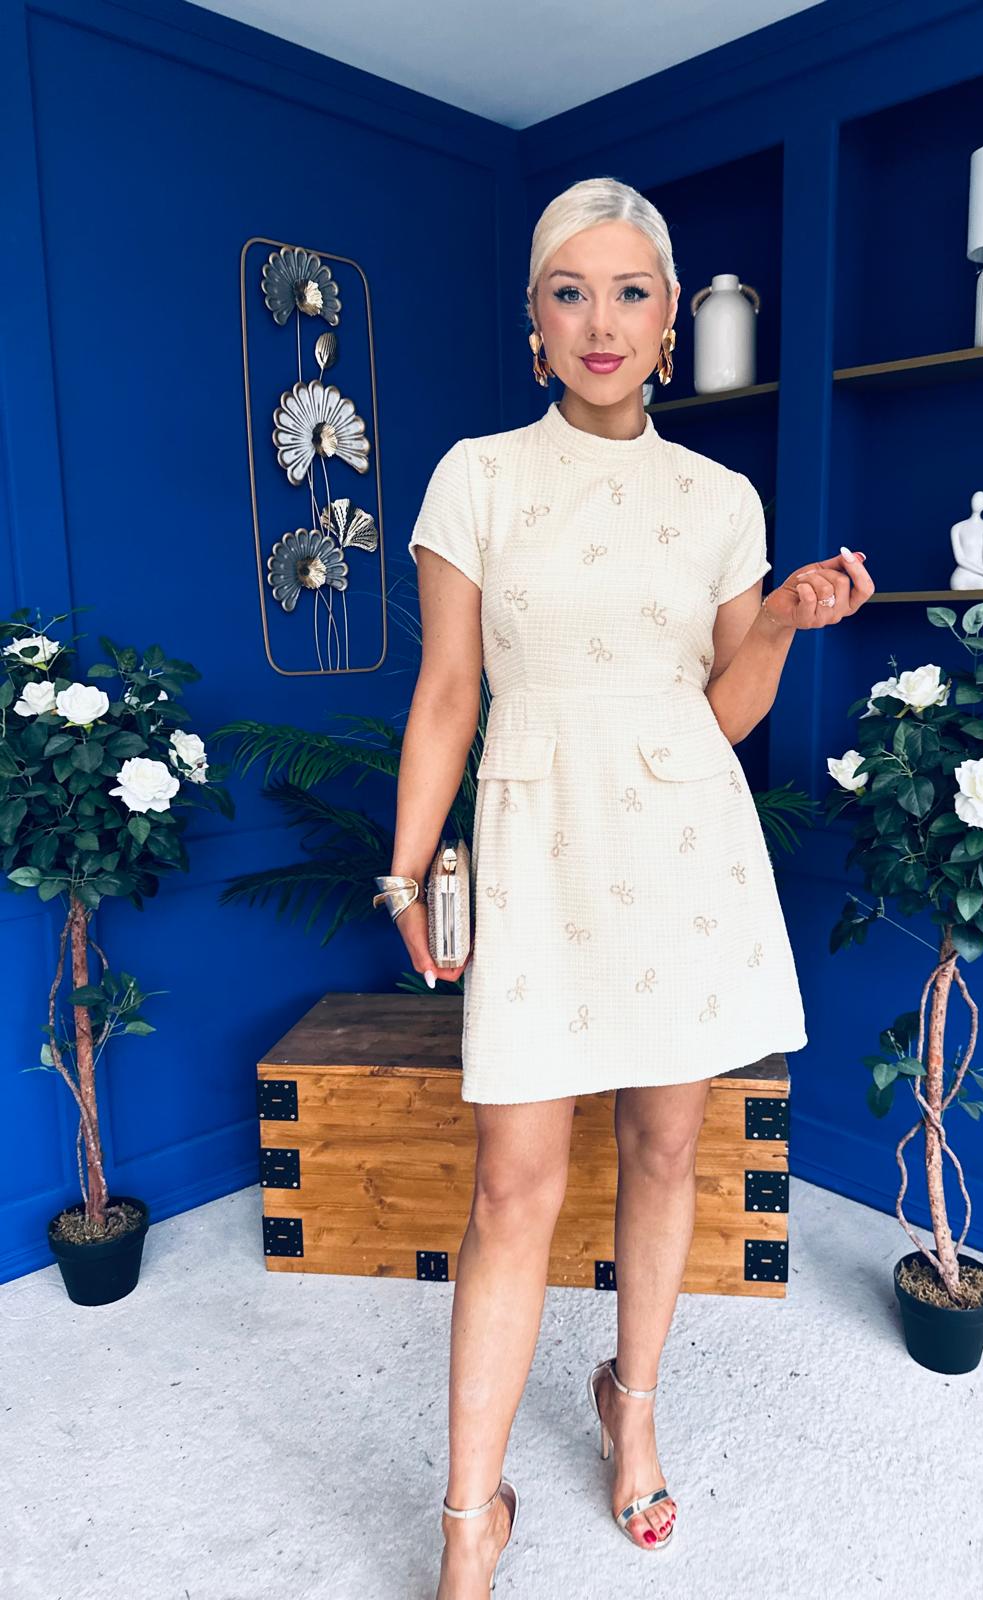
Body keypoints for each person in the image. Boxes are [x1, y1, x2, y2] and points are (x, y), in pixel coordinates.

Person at [390, 175, 874, 1599]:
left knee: (667, 1149)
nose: (600, 321)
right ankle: (469, 1515)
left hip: (682, 853)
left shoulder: (721, 498)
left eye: (631, 292)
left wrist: (780, 623)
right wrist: (406, 872)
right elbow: (449, 691)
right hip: (537, 845)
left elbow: (720, 712)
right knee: (513, 1185)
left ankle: (632, 1406)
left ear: (670, 324)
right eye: (571, 293)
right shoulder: (477, 477)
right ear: (535, 322)